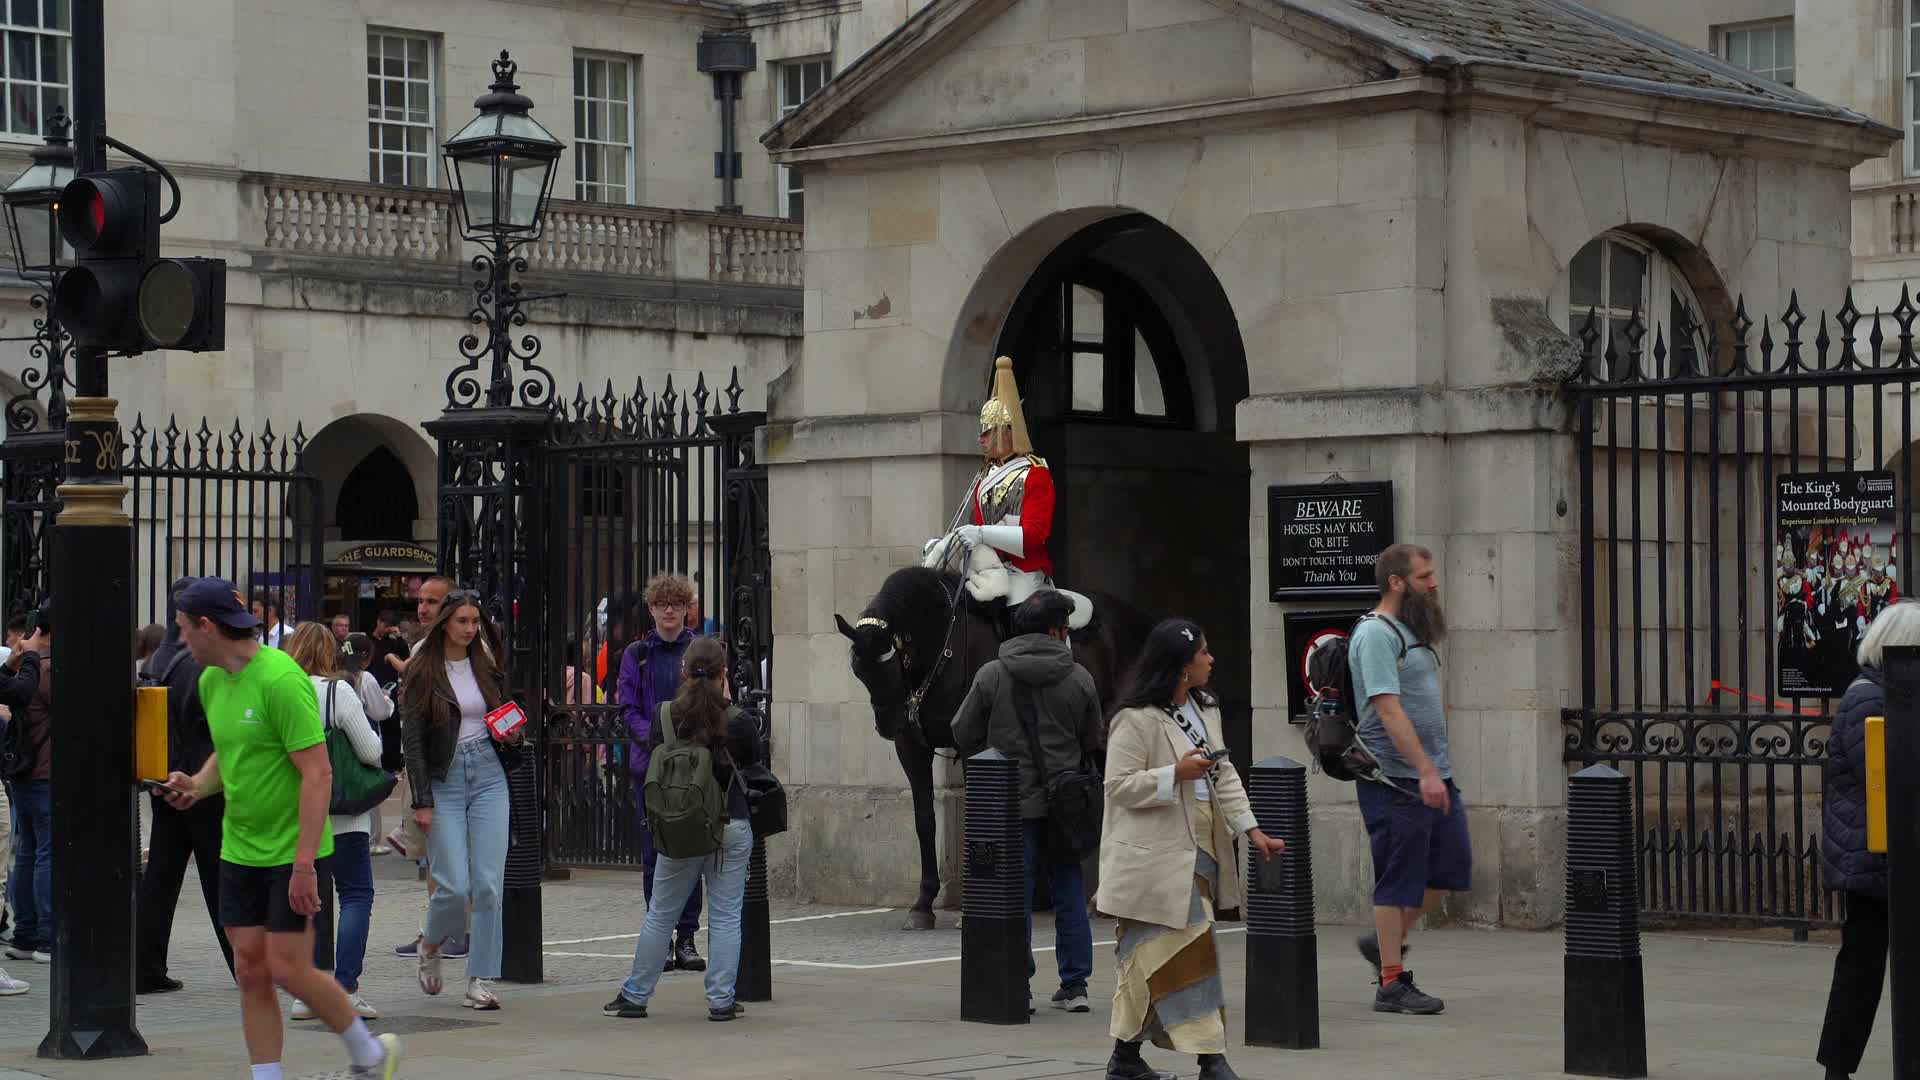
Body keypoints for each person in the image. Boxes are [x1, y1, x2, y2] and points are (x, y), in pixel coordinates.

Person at [160, 578, 401, 1079]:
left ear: (207, 626)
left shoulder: (281, 679)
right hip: (239, 848)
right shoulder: (209, 681)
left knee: (290, 969)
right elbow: (232, 758)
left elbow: (319, 774)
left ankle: (370, 1054)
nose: (181, 640)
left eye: (184, 629)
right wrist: (196, 785)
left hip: (293, 852)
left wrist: (305, 866)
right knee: (249, 968)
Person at [1097, 618, 1283, 1080]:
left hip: (1201, 848)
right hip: (1152, 856)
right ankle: (1211, 1060)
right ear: (1181, 665)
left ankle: (1124, 1058)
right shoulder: (1136, 720)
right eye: (1203, 652)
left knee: (1150, 958)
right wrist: (1173, 775)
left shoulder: (1206, 708)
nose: (1211, 659)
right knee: (1186, 952)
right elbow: (1117, 787)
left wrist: (1252, 830)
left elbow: (1224, 774)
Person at [951, 591, 1101, 1014]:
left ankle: (1018, 981)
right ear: (1057, 631)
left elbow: (962, 730)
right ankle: (1075, 985)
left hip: (1009, 805)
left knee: (1014, 895)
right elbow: (1094, 738)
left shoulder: (991, 675)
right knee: (1070, 890)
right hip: (1065, 803)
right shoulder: (1080, 678)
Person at [603, 636, 761, 1022]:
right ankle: (721, 1001)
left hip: (680, 827)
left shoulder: (663, 714)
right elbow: (754, 764)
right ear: (725, 673)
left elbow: (657, 751)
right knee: (725, 916)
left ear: (683, 672)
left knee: (661, 913)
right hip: (729, 823)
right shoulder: (738, 720)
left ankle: (636, 995)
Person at [1349, 543, 1467, 1016]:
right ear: (1396, 583)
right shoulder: (1376, 635)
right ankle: (1391, 983)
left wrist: (1436, 770)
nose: (1433, 584)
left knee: (1451, 868)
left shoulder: (1411, 632)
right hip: (1395, 780)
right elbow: (1387, 709)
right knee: (1397, 879)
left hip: (1434, 774)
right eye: (1424, 577)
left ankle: (1385, 943)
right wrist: (1423, 771)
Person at [400, 590, 521, 1010]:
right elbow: (412, 741)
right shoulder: (422, 669)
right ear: (445, 622)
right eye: (462, 621)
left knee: (488, 885)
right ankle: (430, 945)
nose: (470, 629)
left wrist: (511, 730)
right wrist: (421, 800)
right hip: (444, 778)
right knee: (453, 886)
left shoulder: (485, 663)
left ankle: (480, 978)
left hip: (489, 773)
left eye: (475, 621)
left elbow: (501, 710)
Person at [1816, 599, 1916, 1080]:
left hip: (1892, 855)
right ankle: (1837, 1066)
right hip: (1872, 859)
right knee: (1862, 968)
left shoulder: (1891, 695)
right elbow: (1891, 774)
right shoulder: (1868, 699)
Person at [924, 355, 1091, 630]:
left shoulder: (1035, 473)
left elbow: (1034, 537)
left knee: (1021, 618)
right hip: (990, 570)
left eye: (988, 432)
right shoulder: (984, 478)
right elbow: (978, 532)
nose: (981, 439)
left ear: (1007, 433)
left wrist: (980, 533)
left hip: (1025, 573)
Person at [136, 580, 236, 994]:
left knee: (161, 875)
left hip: (165, 776)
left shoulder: (159, 659)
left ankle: (144, 965)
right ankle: (242, 964)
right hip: (202, 783)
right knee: (220, 878)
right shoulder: (204, 665)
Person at [284, 624, 384, 1021]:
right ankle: (344, 987)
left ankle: (307, 991)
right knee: (356, 895)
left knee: (308, 902)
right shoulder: (336, 691)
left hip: (296, 814)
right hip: (344, 814)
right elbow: (371, 751)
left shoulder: (280, 690)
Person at [618, 573, 706, 972]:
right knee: (654, 855)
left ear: (687, 608)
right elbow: (629, 709)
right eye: (662, 604)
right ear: (651, 608)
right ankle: (662, 936)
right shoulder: (636, 654)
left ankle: (686, 937)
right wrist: (658, 742)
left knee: (691, 852)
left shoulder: (701, 651)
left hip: (694, 768)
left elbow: (712, 703)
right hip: (651, 768)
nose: (669, 610)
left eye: (676, 603)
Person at [1, 607, 53, 967]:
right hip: (45, 772)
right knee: (45, 854)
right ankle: (45, 938)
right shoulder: (50, 667)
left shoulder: (30, 665)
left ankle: (24, 934)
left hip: (21, 771)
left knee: (27, 853)